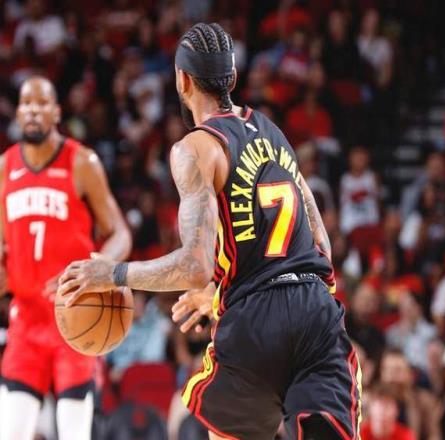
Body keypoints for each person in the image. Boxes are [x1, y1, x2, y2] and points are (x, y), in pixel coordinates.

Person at [57, 22, 361, 440]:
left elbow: (195, 266)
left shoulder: (195, 149)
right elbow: (319, 238)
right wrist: (249, 293)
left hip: (256, 321)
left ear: (182, 80)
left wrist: (113, 273)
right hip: (317, 310)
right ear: (232, 78)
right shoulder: (272, 131)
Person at [0, 76, 131, 440]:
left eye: (42, 103)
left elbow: (121, 235)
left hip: (74, 316)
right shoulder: (5, 167)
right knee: (11, 432)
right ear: (18, 113)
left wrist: (95, 268)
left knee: (75, 432)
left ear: (56, 112)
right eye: (26, 103)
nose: (33, 111)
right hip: (25, 320)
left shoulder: (81, 162)